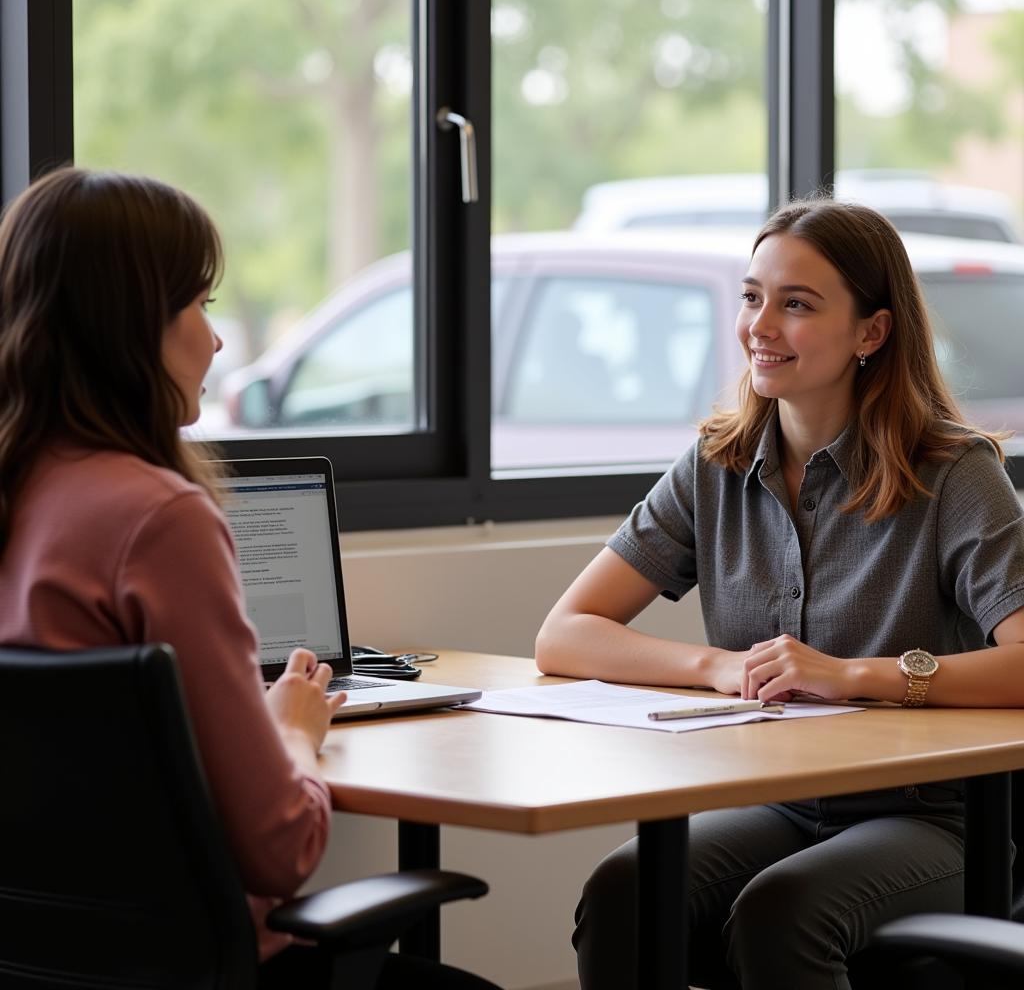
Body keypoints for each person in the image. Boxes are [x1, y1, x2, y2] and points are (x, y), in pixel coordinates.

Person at [0, 167, 499, 990]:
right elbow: (281, 851)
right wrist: (294, 728)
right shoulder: (158, 519)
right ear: (132, 328)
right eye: (201, 305)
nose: (217, 341)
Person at [535, 197, 1024, 990]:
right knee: (623, 894)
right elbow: (565, 633)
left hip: (932, 816)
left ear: (872, 332)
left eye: (796, 305)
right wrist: (716, 668)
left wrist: (856, 675)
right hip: (785, 801)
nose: (760, 325)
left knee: (781, 911)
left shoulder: (957, 474)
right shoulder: (714, 465)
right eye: (753, 297)